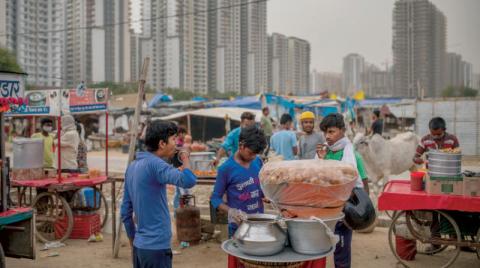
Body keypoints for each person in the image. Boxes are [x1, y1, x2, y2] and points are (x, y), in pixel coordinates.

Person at [121, 120, 197, 268]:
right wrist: (185, 157)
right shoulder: (156, 165)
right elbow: (189, 180)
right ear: (162, 143)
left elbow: (125, 212)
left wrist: (133, 240)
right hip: (156, 247)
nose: (176, 144)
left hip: (140, 247)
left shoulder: (132, 166)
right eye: (173, 139)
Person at [316, 113, 369, 268]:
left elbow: (363, 184)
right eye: (325, 132)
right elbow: (318, 178)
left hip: (343, 213)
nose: (327, 136)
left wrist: (361, 211)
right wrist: (321, 159)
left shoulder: (353, 155)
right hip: (325, 211)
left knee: (341, 252)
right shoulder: (325, 153)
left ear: (342, 131)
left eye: (331, 131)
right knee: (321, 249)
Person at [210, 126, 267, 267]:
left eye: (256, 154)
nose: (253, 157)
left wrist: (266, 195)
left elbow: (261, 187)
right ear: (241, 145)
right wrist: (231, 211)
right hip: (238, 227)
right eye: (251, 153)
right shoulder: (226, 169)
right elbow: (215, 198)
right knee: (240, 263)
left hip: (259, 224)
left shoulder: (258, 162)